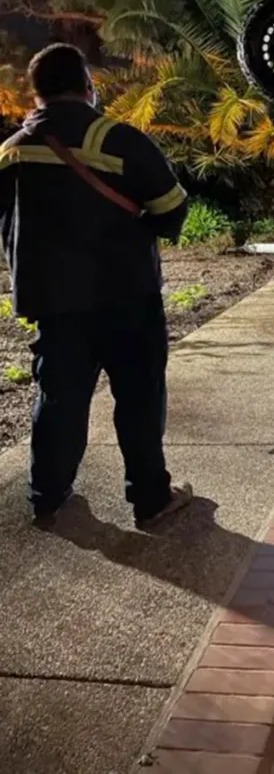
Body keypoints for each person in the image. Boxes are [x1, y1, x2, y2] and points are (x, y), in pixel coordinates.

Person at [0, 43, 192, 528]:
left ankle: (47, 495)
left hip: (54, 303)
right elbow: (171, 207)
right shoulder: (116, 138)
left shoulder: (10, 152)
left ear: (38, 92)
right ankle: (149, 500)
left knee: (58, 398)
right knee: (139, 398)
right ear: (88, 85)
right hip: (125, 295)